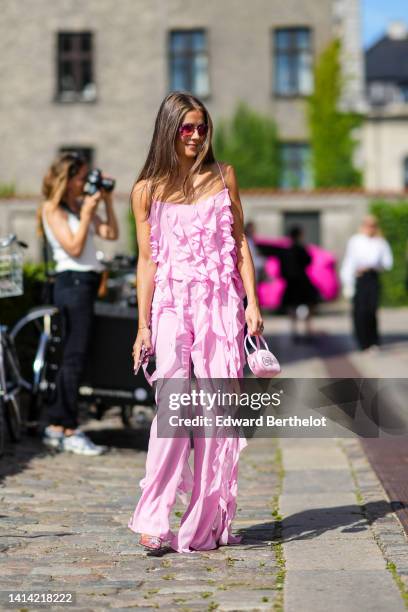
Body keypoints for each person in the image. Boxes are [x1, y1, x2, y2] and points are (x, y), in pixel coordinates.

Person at [128, 91, 263, 553]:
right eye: (187, 127)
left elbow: (239, 241)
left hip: (221, 306)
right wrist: (143, 325)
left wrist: (252, 303)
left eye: (202, 126)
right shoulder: (146, 189)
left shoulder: (224, 177)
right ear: (169, 129)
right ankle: (153, 519)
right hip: (170, 305)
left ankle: (205, 523)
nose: (196, 135)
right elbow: (146, 262)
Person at [39, 152, 119, 455]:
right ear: (68, 178)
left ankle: (58, 425)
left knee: (77, 356)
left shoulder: (77, 205)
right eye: (82, 177)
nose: (86, 182)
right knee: (73, 356)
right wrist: (86, 215)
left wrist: (106, 202)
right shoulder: (53, 209)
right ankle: (67, 427)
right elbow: (72, 247)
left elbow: (111, 233)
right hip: (70, 282)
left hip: (85, 284)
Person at [340, 215, 393, 352]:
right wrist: (348, 281)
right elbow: (350, 261)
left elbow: (387, 263)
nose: (370, 228)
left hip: (372, 277)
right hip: (359, 278)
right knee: (360, 311)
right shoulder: (356, 241)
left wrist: (374, 266)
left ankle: (373, 340)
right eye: (367, 225)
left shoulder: (380, 242)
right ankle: (362, 341)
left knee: (371, 310)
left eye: (372, 225)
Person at [280, 225, 319, 342]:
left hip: (291, 283)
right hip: (301, 282)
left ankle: (294, 331)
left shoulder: (285, 251)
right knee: (310, 304)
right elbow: (309, 261)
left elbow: (282, 269)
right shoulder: (301, 249)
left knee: (291, 308)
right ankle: (307, 330)